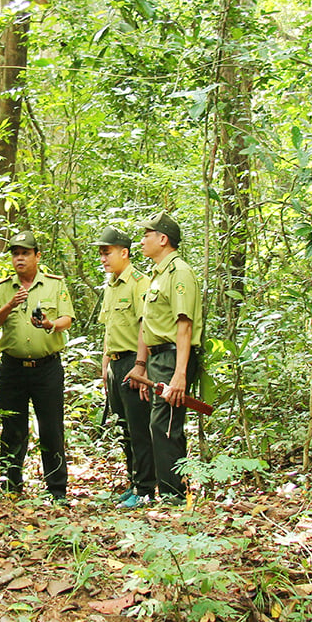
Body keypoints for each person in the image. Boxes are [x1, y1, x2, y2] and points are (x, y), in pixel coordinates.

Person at [0, 230, 74, 502]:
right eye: (15, 253)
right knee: (13, 427)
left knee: (51, 428)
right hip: (13, 369)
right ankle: (11, 485)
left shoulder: (54, 285)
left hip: (47, 368)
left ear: (37, 256)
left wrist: (50, 324)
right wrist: (10, 305)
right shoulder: (3, 288)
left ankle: (57, 490)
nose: (19, 258)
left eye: (25, 253)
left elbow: (68, 318)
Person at [131, 211, 203, 505]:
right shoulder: (157, 275)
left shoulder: (179, 273)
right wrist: (144, 364)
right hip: (160, 358)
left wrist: (180, 374)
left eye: (147, 235)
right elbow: (151, 326)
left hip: (175, 358)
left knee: (167, 426)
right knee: (158, 426)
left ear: (163, 239)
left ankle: (175, 496)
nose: (142, 241)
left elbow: (183, 325)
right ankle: (170, 493)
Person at [94, 226, 154, 508]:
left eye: (107, 253)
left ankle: (145, 488)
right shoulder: (111, 285)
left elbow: (145, 326)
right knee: (124, 429)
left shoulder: (138, 283)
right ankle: (134, 482)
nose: (103, 259)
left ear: (124, 253)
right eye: (101, 253)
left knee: (139, 427)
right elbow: (110, 330)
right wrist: (105, 367)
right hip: (116, 365)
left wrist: (141, 366)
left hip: (133, 362)